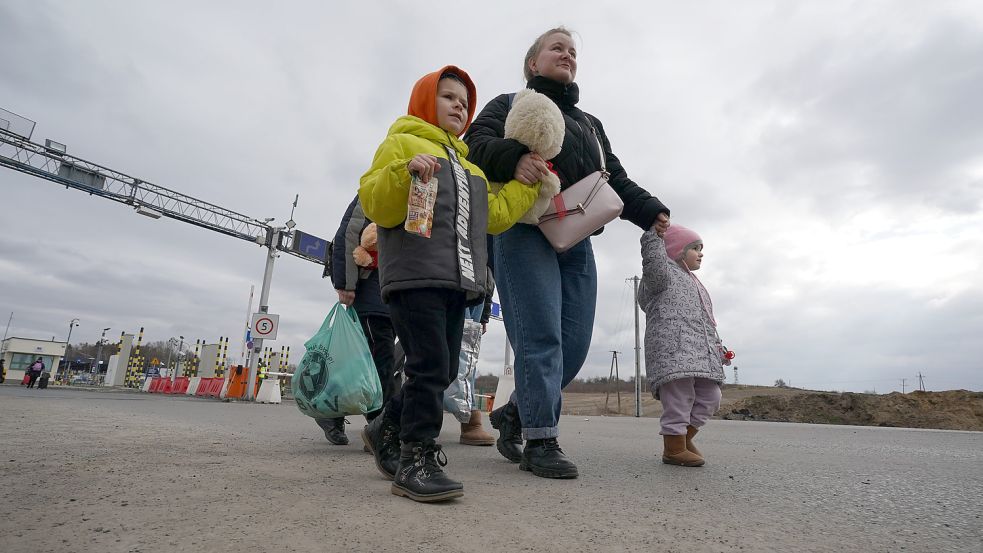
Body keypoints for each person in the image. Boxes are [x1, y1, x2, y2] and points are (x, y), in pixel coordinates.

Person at [464, 27, 671, 478]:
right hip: (522, 232)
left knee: (573, 345)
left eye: (573, 51)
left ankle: (515, 412)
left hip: (575, 237)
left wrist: (650, 209)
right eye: (557, 48)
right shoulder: (507, 104)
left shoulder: (590, 125)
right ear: (533, 64)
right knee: (540, 337)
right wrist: (512, 157)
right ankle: (541, 441)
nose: (568, 55)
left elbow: (613, 177)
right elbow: (472, 147)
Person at [358, 65, 539, 502]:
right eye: (449, 97)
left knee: (443, 370)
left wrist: (525, 188)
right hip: (414, 276)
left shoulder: (470, 166)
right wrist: (404, 172)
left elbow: (491, 217)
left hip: (457, 282)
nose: (459, 105)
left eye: (464, 102)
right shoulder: (400, 142)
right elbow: (375, 203)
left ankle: (385, 427)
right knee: (429, 366)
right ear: (424, 100)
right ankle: (415, 457)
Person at [638, 225, 729, 467]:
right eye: (695, 248)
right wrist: (654, 237)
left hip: (700, 354)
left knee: (711, 397)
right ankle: (674, 448)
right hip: (672, 349)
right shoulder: (662, 274)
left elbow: (706, 323)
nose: (701, 253)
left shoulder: (694, 282)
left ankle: (682, 439)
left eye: (701, 249)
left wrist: (718, 350)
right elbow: (654, 264)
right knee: (680, 398)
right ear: (676, 249)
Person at [314, 195, 398, 446]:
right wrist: (346, 283)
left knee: (362, 362)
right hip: (371, 291)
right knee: (380, 358)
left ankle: (331, 410)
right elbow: (348, 235)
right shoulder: (373, 192)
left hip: (393, 293)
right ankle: (380, 429)